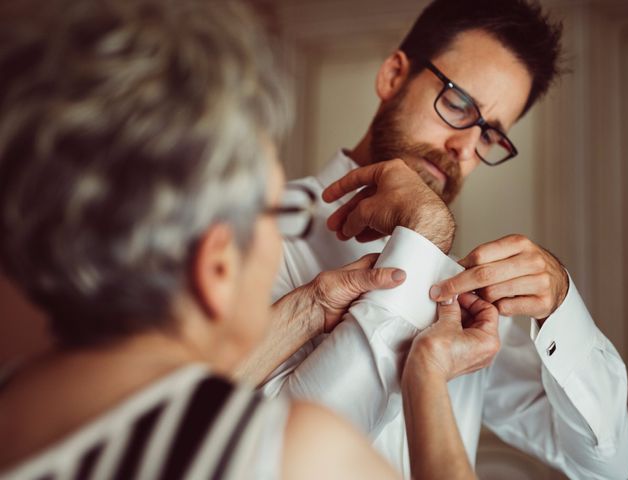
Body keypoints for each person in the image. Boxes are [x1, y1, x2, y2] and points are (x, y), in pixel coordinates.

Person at [0, 0, 500, 479]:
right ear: (217, 265)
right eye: (278, 208)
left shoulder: (17, 397)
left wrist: (308, 307)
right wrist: (427, 375)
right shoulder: (288, 450)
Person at [260, 0, 628, 478]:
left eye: (490, 136)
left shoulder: (465, 299)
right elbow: (263, 457)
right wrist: (422, 240)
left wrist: (562, 302)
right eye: (458, 104)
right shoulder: (253, 232)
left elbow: (607, 464)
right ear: (393, 76)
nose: (464, 147)